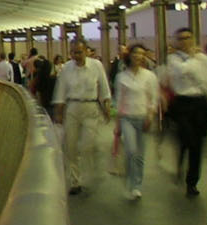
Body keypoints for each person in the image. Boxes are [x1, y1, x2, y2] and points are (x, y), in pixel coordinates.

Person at [164, 27, 207, 197]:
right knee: (187, 139)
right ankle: (179, 164)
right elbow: (180, 72)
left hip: (200, 102)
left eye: (188, 38)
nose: (185, 41)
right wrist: (193, 62)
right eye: (180, 39)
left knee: (197, 145)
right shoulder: (173, 59)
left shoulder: (203, 59)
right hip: (182, 103)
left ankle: (192, 182)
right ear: (176, 42)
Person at [52, 41, 112, 195]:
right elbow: (61, 90)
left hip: (90, 107)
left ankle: (87, 173)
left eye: (78, 52)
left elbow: (104, 86)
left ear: (86, 51)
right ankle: (75, 181)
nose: (75, 56)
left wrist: (106, 106)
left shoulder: (96, 65)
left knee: (87, 145)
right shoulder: (66, 69)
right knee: (70, 146)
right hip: (72, 107)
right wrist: (58, 112)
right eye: (72, 53)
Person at [113, 44, 160, 200]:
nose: (138, 56)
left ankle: (136, 185)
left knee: (140, 155)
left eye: (141, 54)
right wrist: (117, 122)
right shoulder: (121, 77)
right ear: (130, 56)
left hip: (143, 117)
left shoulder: (150, 76)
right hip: (127, 118)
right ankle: (130, 180)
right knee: (131, 151)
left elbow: (153, 98)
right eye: (135, 53)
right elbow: (118, 100)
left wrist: (150, 116)